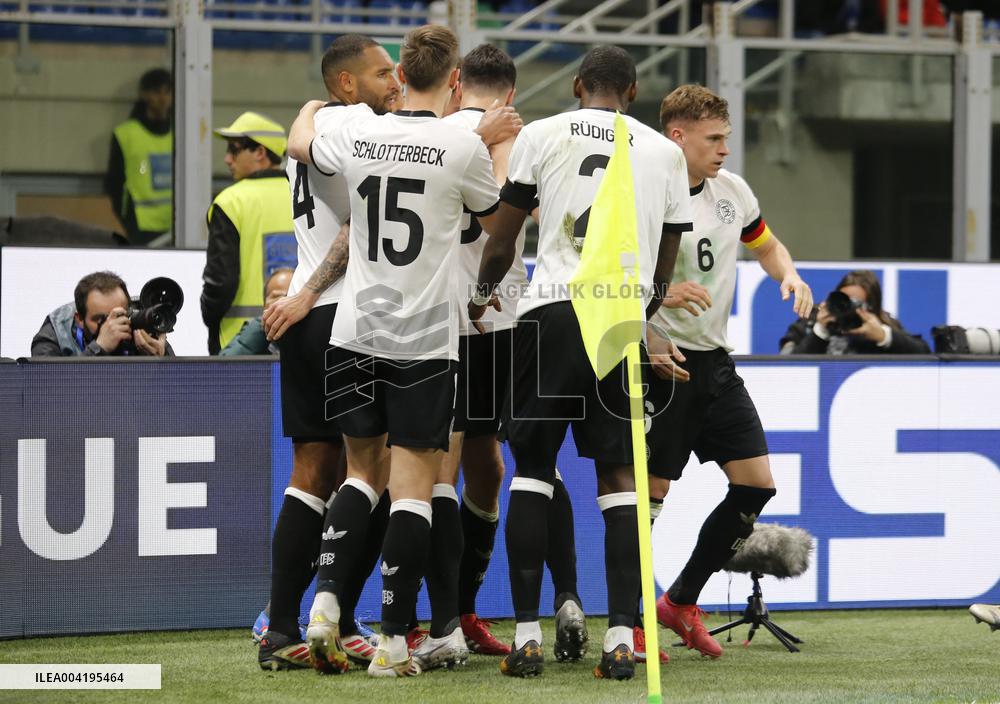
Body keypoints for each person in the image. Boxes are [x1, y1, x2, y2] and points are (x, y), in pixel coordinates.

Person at [287, 24, 512, 678]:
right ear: (455, 83)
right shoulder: (459, 145)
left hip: (355, 328)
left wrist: (308, 109)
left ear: (401, 79)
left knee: (361, 475)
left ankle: (325, 603)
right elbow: (491, 219)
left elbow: (301, 143)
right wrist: (487, 139)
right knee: (413, 488)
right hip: (423, 337)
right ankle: (390, 643)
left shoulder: (358, 129)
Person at [470, 45, 693, 680]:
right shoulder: (665, 152)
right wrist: (640, 317)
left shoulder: (543, 133)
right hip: (618, 321)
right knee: (621, 482)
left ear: (576, 85)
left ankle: (527, 637)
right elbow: (663, 267)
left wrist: (483, 295)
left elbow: (504, 235)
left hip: (552, 312)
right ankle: (622, 637)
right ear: (634, 89)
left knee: (533, 473)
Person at [644, 84, 812, 660]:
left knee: (756, 485)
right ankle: (632, 619)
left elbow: (766, 246)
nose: (723, 150)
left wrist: (787, 274)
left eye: (726, 138)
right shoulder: (647, 191)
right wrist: (662, 294)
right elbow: (608, 271)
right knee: (648, 497)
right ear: (677, 136)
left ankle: (681, 599)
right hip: (661, 360)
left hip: (714, 363)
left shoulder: (731, 192)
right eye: (712, 139)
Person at [251, 34, 400, 672]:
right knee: (381, 476)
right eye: (381, 71)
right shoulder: (362, 127)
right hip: (347, 314)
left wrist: (308, 108)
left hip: (311, 322)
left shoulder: (316, 124)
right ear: (347, 83)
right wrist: (312, 292)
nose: (394, 80)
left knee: (311, 471)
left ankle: (282, 625)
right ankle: (333, 610)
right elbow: (356, 225)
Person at [440, 43, 583, 661]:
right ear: (513, 92)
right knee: (454, 474)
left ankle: (465, 614)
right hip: (456, 321)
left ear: (454, 83)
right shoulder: (473, 135)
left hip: (499, 319)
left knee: (499, 469)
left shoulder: (455, 130)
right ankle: (437, 620)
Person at [201, 112, 295, 355]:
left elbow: (220, 282)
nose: (227, 159)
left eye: (234, 150)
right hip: (301, 336)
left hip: (242, 343)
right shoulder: (305, 196)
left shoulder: (230, 201)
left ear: (260, 153)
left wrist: (209, 317)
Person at [779, 270, 930, 354]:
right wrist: (819, 333)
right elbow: (785, 367)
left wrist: (884, 337)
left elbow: (924, 355)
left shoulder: (881, 322)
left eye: (857, 304)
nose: (849, 309)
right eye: (845, 301)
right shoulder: (812, 319)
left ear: (872, 308)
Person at [104, 68, 173, 246]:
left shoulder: (182, 133)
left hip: (176, 225)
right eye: (157, 92)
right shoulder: (125, 134)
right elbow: (115, 182)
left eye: (167, 92)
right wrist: (127, 221)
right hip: (140, 226)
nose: (163, 99)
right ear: (145, 95)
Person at [31, 270, 172, 357]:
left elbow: (181, 397)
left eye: (118, 316)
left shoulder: (141, 327)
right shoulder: (54, 335)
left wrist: (161, 363)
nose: (111, 326)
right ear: (79, 319)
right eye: (101, 319)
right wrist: (99, 348)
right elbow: (48, 395)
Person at [219, 268, 292, 356]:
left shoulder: (311, 333)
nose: (283, 306)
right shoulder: (257, 331)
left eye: (292, 297)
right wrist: (264, 324)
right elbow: (224, 367)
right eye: (278, 297)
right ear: (265, 305)